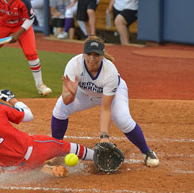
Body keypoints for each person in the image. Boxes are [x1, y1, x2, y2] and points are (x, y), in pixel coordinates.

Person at [50, 36, 160, 168]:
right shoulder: (74, 65)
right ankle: (55, 148)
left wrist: (104, 136)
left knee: (123, 120)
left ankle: (146, 151)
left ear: (102, 55)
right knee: (59, 109)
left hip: (113, 93)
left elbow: (105, 107)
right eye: (89, 54)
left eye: (96, 55)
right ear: (83, 53)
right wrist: (72, 93)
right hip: (84, 93)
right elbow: (66, 101)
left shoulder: (110, 72)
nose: (92, 58)